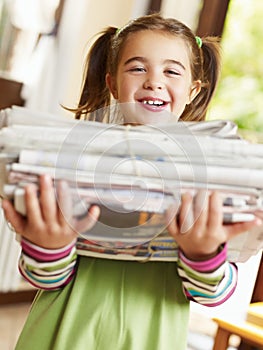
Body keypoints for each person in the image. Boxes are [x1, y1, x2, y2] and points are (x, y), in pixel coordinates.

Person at [2, 13, 262, 350]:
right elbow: (40, 278)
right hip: (63, 336)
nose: (154, 81)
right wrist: (49, 246)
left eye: (171, 71)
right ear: (113, 83)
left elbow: (216, 295)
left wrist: (202, 253)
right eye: (137, 68)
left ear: (193, 91)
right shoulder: (72, 163)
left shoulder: (210, 176)